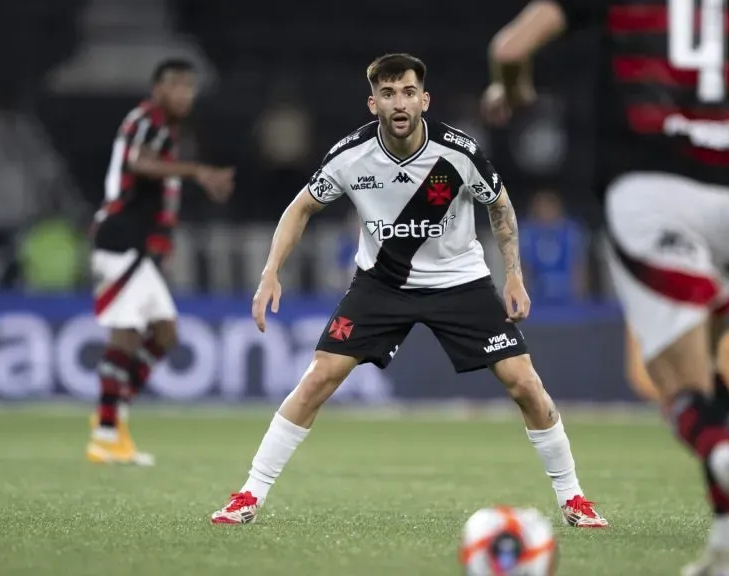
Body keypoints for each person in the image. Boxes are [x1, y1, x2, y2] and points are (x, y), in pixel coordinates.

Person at [484, 0, 729, 570]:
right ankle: (728, 546)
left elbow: (508, 48)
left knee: (678, 393)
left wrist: (515, 90)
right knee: (706, 373)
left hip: (651, 189)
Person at [210, 53, 607, 528]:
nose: (399, 102)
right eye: (388, 93)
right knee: (318, 378)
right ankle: (249, 494)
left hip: (459, 281)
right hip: (382, 283)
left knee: (524, 384)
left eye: (407, 92)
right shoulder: (349, 155)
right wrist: (270, 270)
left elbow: (500, 206)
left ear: (424, 99)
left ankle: (573, 497)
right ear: (373, 103)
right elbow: (299, 209)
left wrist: (514, 275)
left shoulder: (457, 152)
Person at [87, 59, 235, 465]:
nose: (185, 95)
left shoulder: (163, 126)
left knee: (165, 333)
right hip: (120, 240)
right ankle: (105, 433)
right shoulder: (148, 119)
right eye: (177, 86)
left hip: (138, 246)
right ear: (158, 89)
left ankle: (112, 415)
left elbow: (154, 186)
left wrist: (160, 240)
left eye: (190, 87)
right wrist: (198, 171)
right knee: (127, 335)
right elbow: (140, 165)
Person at [518, 189, 587, 304]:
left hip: (567, 292)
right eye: (542, 207)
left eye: (550, 206)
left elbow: (578, 267)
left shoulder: (571, 232)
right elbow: (523, 269)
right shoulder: (527, 232)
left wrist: (579, 300)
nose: (546, 211)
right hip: (537, 293)